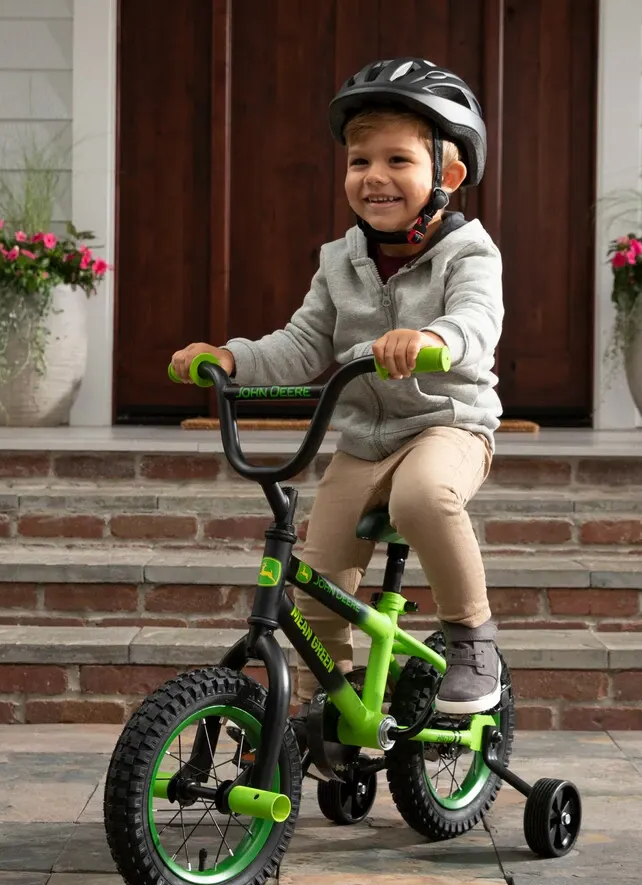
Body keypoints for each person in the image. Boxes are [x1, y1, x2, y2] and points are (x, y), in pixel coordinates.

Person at [171, 57, 504, 716]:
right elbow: (301, 345)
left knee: (423, 498)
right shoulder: (339, 261)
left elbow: (475, 322)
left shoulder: (470, 255)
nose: (374, 176)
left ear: (449, 174)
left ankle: (472, 637)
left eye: (398, 161)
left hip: (448, 425)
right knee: (317, 577)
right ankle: (342, 699)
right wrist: (230, 359)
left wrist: (431, 340)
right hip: (363, 441)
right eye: (359, 162)